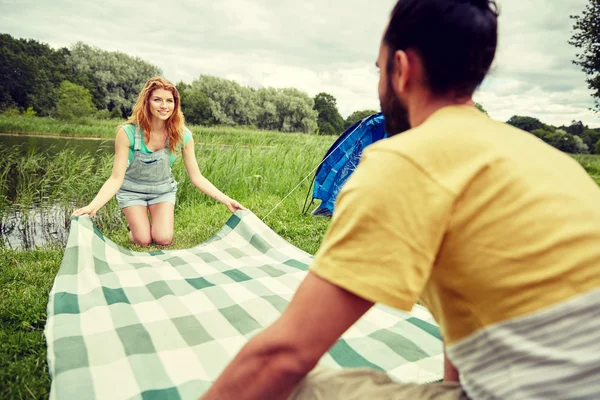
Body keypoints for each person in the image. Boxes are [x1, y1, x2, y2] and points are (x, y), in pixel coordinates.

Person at [199, 0, 600, 399]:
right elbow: (466, 310)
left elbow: (282, 355)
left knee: (298, 387)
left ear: (402, 70)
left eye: (380, 68)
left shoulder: (403, 160)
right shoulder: (544, 157)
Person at [73, 77, 244, 246]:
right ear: (146, 102)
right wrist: (93, 206)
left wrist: (227, 200)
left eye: (169, 101)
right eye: (157, 100)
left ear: (175, 105)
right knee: (143, 240)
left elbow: (197, 177)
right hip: (132, 191)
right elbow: (116, 179)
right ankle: (136, 229)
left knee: (163, 239)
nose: (164, 106)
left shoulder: (183, 135)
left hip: (162, 191)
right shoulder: (127, 133)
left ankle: (148, 225)